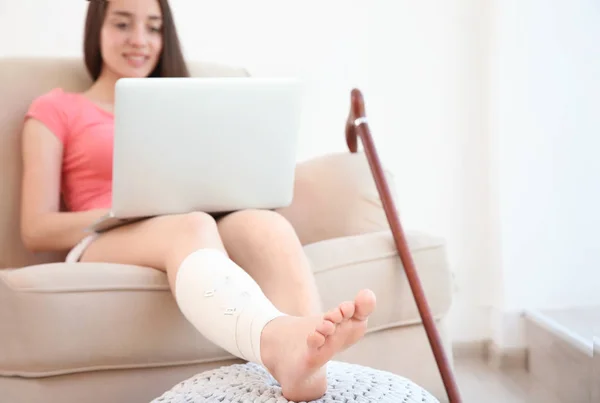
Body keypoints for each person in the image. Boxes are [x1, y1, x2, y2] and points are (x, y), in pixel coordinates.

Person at [19, 0, 377, 401]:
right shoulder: (56, 108)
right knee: (192, 225)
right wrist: (123, 209)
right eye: (122, 24)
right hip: (104, 237)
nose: (139, 40)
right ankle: (276, 343)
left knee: (263, 224)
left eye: (153, 28)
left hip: (194, 217)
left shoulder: (185, 106)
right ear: (96, 30)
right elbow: (35, 228)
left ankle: (311, 359)